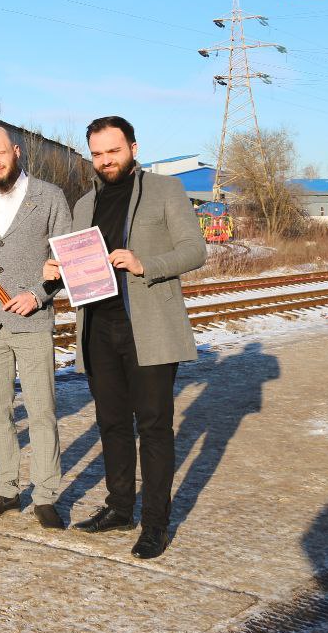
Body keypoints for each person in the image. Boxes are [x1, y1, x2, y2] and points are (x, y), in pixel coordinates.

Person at [44, 115, 206, 559]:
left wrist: (144, 264)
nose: (105, 160)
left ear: (133, 148)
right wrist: (55, 272)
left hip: (149, 327)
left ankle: (155, 524)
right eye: (97, 154)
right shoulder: (83, 205)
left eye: (113, 151)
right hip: (98, 327)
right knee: (112, 423)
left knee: (154, 427)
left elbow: (195, 250)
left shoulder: (166, 190)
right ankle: (119, 508)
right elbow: (78, 265)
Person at [0, 126, 71, 530]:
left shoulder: (50, 196)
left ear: (16, 152)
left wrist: (38, 295)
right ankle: (6, 489)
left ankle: (46, 495)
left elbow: (67, 258)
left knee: (42, 411)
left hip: (32, 321)